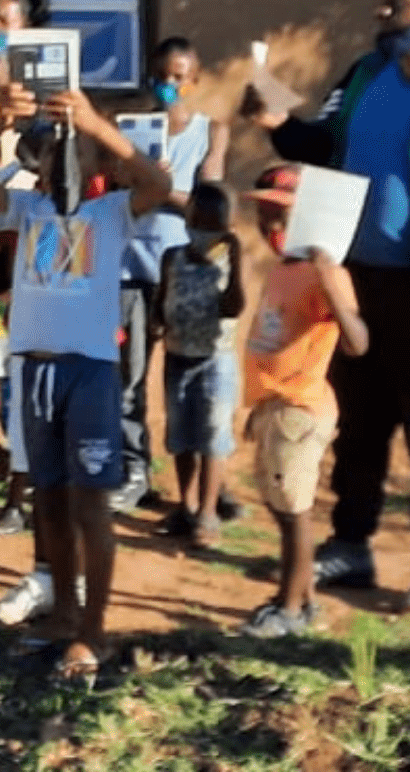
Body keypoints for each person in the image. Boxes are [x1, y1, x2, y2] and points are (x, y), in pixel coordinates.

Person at [243, 0, 410, 616]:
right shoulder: (365, 75)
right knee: (360, 419)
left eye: (394, 2)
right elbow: (320, 144)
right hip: (352, 277)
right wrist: (279, 123)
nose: (380, 11)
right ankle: (352, 541)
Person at [0, 83, 172, 680]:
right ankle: (64, 617)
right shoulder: (30, 209)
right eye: (55, 145)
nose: (63, 151)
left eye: (74, 145)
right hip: (33, 367)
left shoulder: (109, 213)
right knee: (47, 499)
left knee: (90, 505)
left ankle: (94, 632)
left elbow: (156, 184)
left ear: (98, 165)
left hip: (88, 372)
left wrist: (98, 126)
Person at [237, 165, 368, 637]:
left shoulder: (323, 272)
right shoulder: (283, 269)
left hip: (302, 407)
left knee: (295, 514)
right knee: (279, 505)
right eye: (264, 213)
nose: (270, 226)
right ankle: (303, 599)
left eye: (282, 215)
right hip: (277, 406)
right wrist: (258, 407)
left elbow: (357, 342)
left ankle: (289, 609)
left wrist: (332, 283)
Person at [115, 36, 231, 514]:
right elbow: (119, 187)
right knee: (130, 375)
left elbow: (211, 203)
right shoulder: (132, 131)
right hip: (131, 266)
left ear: (195, 81)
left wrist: (159, 188)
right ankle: (132, 468)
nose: (169, 86)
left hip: (188, 274)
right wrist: (150, 182)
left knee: (193, 380)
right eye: (162, 76)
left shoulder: (212, 131)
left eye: (179, 77)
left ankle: (206, 490)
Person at [150, 184, 244, 547]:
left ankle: (208, 512)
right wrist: (157, 322)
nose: (203, 231)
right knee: (181, 434)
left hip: (215, 359)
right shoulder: (172, 257)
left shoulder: (228, 259)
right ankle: (186, 507)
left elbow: (234, 307)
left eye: (213, 224)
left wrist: (234, 262)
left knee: (213, 435)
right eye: (197, 222)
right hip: (177, 355)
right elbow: (161, 300)